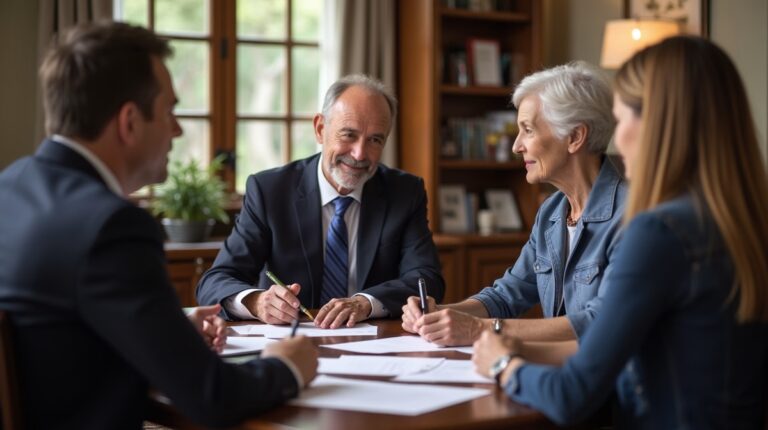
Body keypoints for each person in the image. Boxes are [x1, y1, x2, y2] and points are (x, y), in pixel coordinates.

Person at [0, 22, 318, 429]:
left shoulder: (12, 185)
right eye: (169, 111)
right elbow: (212, 396)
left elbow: (55, 327)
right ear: (129, 122)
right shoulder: (112, 227)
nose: (178, 129)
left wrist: (166, 329)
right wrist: (287, 366)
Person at [473, 36, 768, 428]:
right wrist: (512, 344)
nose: (615, 135)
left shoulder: (659, 231)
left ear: (659, 125)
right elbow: (616, 348)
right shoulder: (740, 217)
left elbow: (571, 396)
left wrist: (503, 363)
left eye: (622, 116)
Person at [402, 62, 626, 350]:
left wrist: (478, 329)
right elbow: (507, 295)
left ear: (574, 137)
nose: (516, 146)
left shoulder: (630, 215)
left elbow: (600, 322)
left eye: (528, 130)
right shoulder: (552, 212)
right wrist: (441, 314)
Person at [196, 75, 445, 329]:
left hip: (372, 341)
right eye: (349, 135)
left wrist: (365, 303)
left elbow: (426, 279)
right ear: (320, 129)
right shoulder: (270, 191)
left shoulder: (404, 192)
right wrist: (257, 302)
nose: (359, 153)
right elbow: (216, 281)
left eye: (375, 140)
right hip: (289, 341)